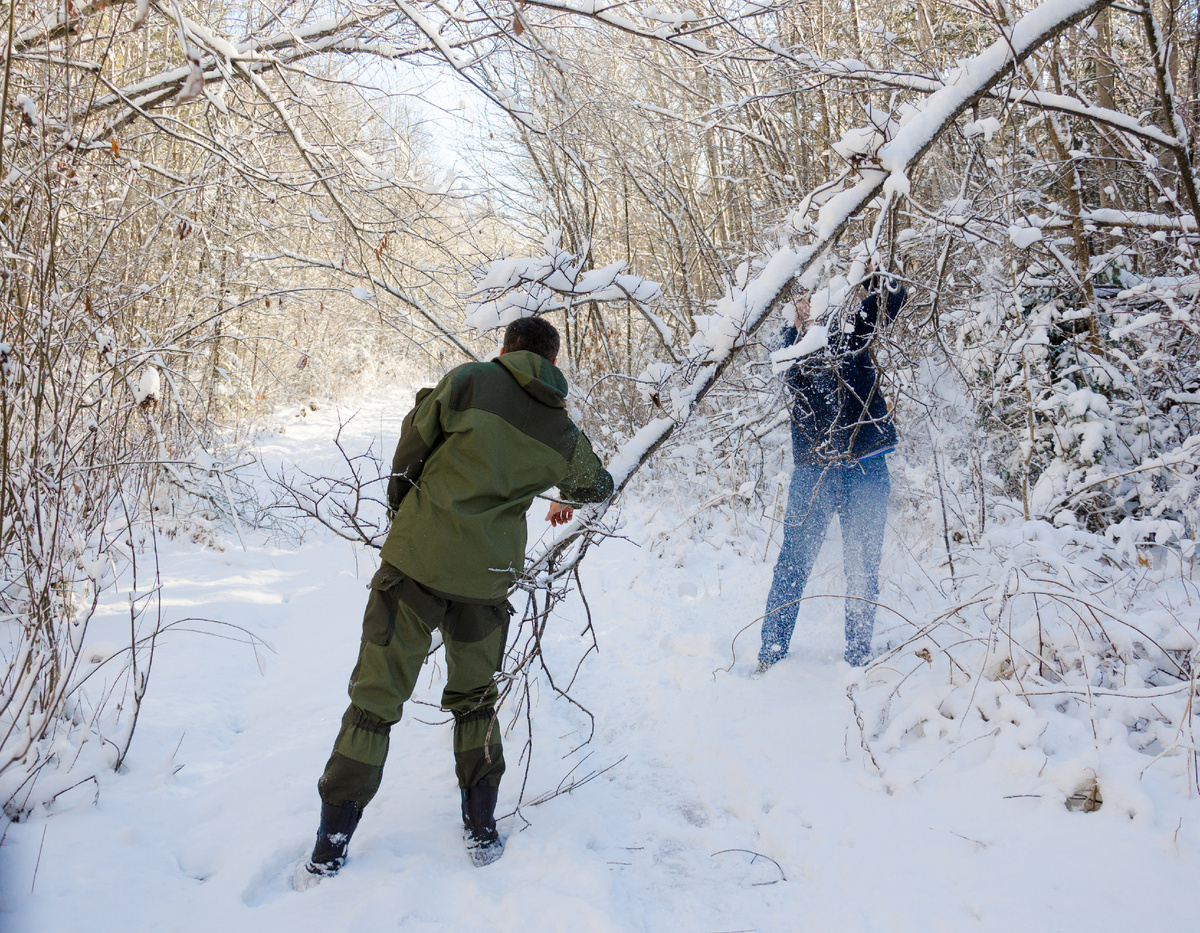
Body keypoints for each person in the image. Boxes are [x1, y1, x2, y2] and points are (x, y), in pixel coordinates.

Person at [297, 316, 613, 886]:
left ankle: (330, 847)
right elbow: (598, 486)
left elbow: (414, 443)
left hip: (416, 566)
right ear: (554, 363)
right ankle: (482, 829)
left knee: (375, 702)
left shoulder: (469, 381)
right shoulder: (561, 430)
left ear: (505, 349)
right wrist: (557, 491)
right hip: (486, 582)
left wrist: (402, 507)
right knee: (475, 700)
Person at [757, 267, 906, 672]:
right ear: (790, 304)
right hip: (813, 471)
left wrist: (876, 274)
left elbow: (891, 301)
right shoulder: (787, 344)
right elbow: (789, 370)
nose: (806, 302)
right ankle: (770, 656)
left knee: (863, 566)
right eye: (798, 296)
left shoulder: (850, 330)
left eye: (812, 294)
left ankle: (858, 660)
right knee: (793, 563)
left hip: (867, 466)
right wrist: (803, 329)